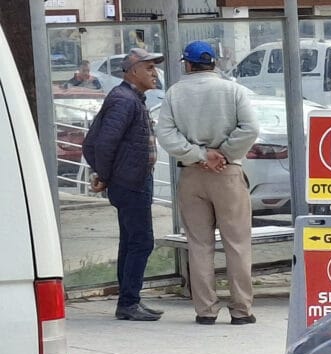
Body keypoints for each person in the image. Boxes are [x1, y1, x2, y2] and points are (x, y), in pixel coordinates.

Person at [155, 41, 259, 326]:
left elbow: (165, 134)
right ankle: (241, 310)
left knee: (199, 244)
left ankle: (206, 310)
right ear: (213, 62)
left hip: (192, 173)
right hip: (228, 173)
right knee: (237, 243)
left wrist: (200, 156)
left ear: (187, 64)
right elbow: (251, 128)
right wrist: (223, 154)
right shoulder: (233, 90)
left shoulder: (175, 93)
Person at [82, 48, 165, 322]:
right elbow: (103, 143)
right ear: (133, 72)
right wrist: (105, 176)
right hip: (131, 182)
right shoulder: (124, 100)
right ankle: (129, 302)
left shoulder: (131, 98)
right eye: (149, 68)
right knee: (141, 241)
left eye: (155, 68)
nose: (155, 73)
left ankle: (129, 300)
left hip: (134, 179)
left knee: (131, 241)